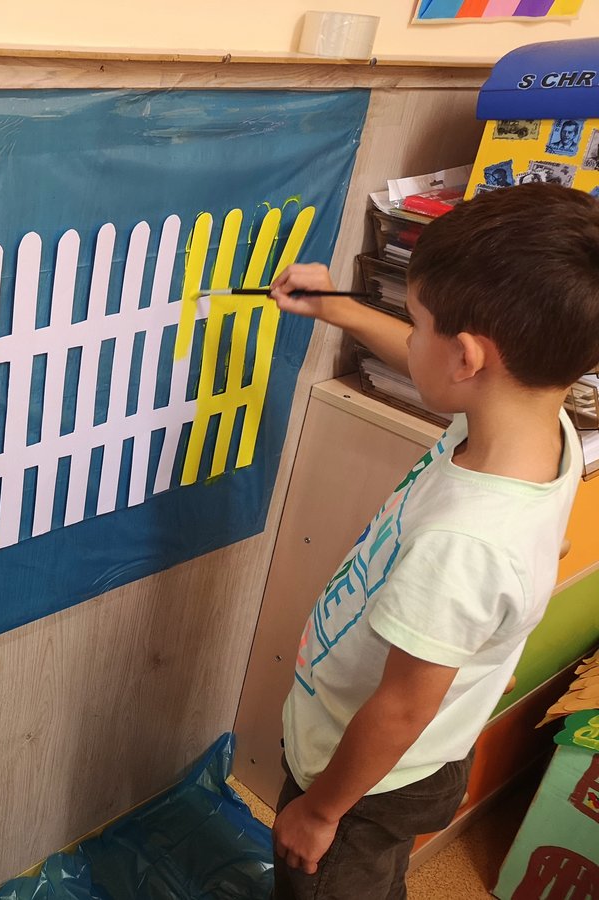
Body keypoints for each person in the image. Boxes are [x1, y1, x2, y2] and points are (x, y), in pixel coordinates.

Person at [267, 182, 599, 900]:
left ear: (470, 359)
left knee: (332, 887)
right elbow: (441, 364)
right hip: (403, 751)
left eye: (414, 324)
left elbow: (401, 709)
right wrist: (336, 307)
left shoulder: (466, 541)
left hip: (361, 784)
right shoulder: (539, 424)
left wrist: (320, 812)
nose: (408, 339)